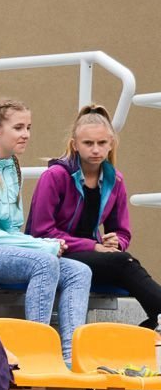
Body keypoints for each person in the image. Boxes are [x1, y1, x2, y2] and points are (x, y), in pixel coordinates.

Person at [0, 98, 91, 359]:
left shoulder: (11, 165)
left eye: (29, 127)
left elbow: (11, 228)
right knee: (44, 263)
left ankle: (70, 359)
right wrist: (42, 246)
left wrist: (41, 247)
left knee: (80, 271)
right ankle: (35, 353)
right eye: (19, 127)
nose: (26, 135)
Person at [27, 104, 161, 328]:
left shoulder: (114, 179)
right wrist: (93, 246)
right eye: (88, 143)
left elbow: (121, 230)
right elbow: (40, 232)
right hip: (53, 254)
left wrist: (116, 240)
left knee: (123, 260)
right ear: (75, 145)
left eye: (102, 143)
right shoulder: (55, 176)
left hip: (93, 258)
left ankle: (152, 324)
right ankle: (156, 319)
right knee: (123, 262)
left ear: (111, 144)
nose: (96, 149)